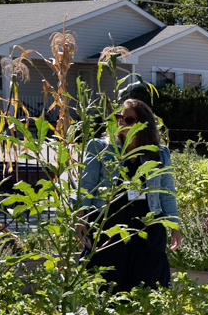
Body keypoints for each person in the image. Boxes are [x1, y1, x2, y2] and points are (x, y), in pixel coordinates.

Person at [78, 97, 181, 290]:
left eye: (128, 119)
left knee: (150, 288)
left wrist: (174, 225)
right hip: (110, 228)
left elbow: (166, 192)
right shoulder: (102, 149)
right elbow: (86, 186)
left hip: (147, 229)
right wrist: (80, 218)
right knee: (109, 287)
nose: (121, 123)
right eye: (119, 117)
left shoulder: (159, 153)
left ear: (143, 124)